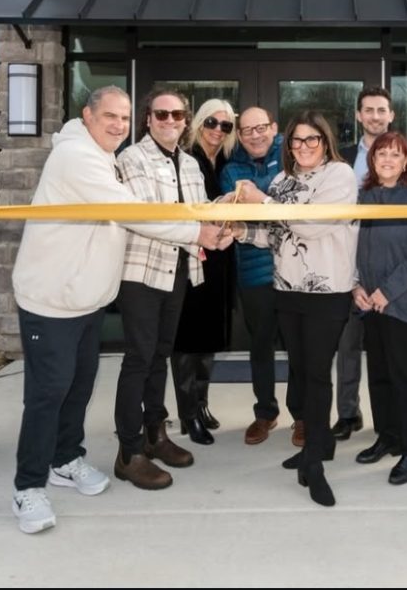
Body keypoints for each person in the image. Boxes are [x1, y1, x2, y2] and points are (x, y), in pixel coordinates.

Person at [10, 86, 227, 532]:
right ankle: (28, 487)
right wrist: (196, 233)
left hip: (87, 298)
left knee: (78, 387)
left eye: (123, 119)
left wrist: (211, 223)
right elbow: (131, 211)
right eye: (110, 116)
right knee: (47, 394)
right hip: (51, 298)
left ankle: (66, 459)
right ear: (86, 116)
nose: (117, 125)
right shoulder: (78, 158)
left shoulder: (101, 155)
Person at [232, 112, 358, 507]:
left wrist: (263, 201)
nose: (303, 147)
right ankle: (313, 448)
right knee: (301, 372)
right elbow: (273, 232)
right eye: (296, 141)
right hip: (286, 288)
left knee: (318, 375)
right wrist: (236, 229)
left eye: (312, 140)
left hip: (327, 291)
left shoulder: (339, 176)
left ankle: (316, 464)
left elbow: (310, 225)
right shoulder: (282, 180)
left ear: (326, 141)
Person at [113, 88, 217, 490]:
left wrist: (221, 227)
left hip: (177, 268)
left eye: (177, 115)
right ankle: (128, 450)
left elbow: (199, 212)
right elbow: (141, 216)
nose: (170, 121)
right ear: (147, 119)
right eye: (162, 114)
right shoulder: (131, 158)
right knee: (138, 357)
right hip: (141, 270)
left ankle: (155, 433)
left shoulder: (190, 164)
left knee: (160, 354)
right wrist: (200, 232)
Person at [352, 132, 407, 485]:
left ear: (406, 163)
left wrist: (387, 291)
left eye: (395, 154)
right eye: (380, 153)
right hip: (370, 303)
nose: (387, 159)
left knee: (405, 379)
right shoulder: (365, 198)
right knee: (380, 376)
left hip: (405, 304)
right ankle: (387, 436)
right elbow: (352, 246)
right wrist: (357, 285)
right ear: (372, 160)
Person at [220, 106, 292, 446]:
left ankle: (303, 415)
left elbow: (297, 208)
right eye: (247, 130)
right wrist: (272, 203)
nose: (255, 135)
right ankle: (266, 413)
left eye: (261, 127)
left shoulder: (295, 156)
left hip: (295, 271)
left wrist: (259, 198)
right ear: (240, 134)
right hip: (254, 271)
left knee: (300, 347)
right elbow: (237, 214)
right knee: (261, 348)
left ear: (273, 128)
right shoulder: (231, 168)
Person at [171, 98, 238, 445]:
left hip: (220, 259)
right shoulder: (187, 159)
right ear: (198, 122)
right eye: (212, 122)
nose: (217, 130)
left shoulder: (225, 160)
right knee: (188, 339)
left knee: (210, 336)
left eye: (226, 126)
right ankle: (187, 415)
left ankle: (201, 403)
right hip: (191, 256)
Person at [333, 85, 397, 441]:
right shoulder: (340, 158)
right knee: (347, 346)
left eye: (381, 110)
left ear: (391, 115)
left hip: (389, 268)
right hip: (346, 264)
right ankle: (348, 414)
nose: (375, 116)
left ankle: (388, 422)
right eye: (368, 110)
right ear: (359, 116)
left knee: (389, 352)